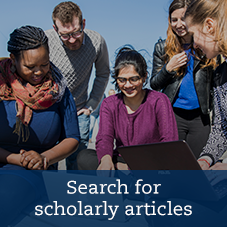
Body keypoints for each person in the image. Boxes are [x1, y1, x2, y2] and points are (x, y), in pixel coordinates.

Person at [0, 25, 80, 226]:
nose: (39, 72)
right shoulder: (1, 87)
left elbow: (72, 138)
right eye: (30, 66)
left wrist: (44, 158)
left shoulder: (59, 90)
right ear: (13, 58)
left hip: (34, 172)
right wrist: (15, 158)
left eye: (44, 64)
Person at [77, 46, 178, 170]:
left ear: (144, 77)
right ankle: (125, 172)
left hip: (152, 161)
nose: (128, 85)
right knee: (84, 157)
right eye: (122, 80)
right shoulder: (110, 104)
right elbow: (105, 137)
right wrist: (106, 159)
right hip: (122, 157)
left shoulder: (159, 100)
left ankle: (126, 172)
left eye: (133, 79)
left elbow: (169, 140)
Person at [45, 1, 110, 170]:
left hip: (79, 109)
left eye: (76, 32)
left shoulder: (97, 41)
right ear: (55, 29)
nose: (72, 40)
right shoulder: (45, 41)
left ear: (83, 24)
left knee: (77, 160)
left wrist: (91, 105)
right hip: (49, 108)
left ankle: (76, 193)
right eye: (65, 35)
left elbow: (103, 74)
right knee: (47, 157)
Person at [150, 0, 218, 159]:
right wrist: (168, 68)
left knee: (198, 166)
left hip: (200, 118)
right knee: (174, 164)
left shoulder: (206, 45)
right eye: (174, 20)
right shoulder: (162, 47)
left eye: (183, 18)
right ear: (169, 21)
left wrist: (215, 121)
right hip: (173, 115)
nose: (179, 24)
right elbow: (154, 84)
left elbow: (215, 86)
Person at [184, 0, 227, 170]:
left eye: (193, 34)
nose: (193, 44)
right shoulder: (219, 74)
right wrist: (205, 160)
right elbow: (222, 129)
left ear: (209, 25)